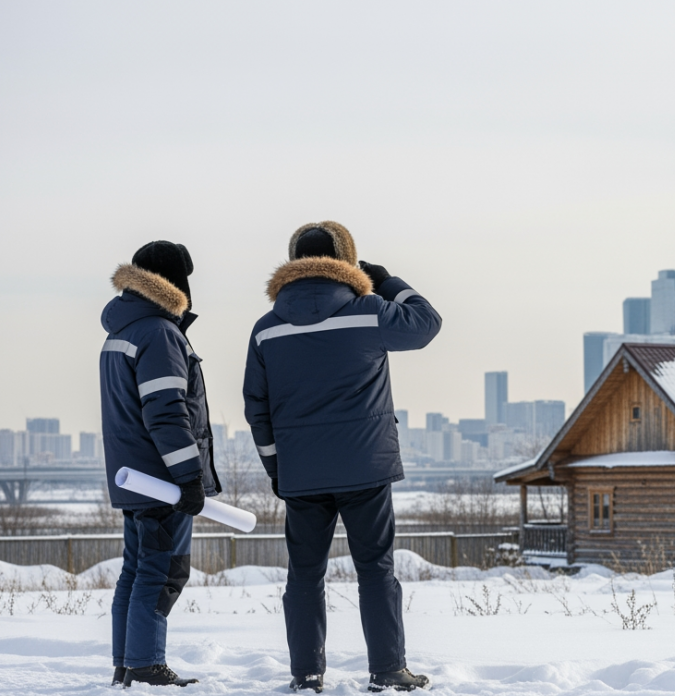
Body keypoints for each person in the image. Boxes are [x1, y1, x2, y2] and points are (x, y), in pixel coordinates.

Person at [243, 222, 442, 693]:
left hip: (301, 472)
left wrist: (276, 467)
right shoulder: (369, 312)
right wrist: (387, 281)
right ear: (347, 261)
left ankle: (307, 674)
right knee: (376, 570)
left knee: (304, 575)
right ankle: (388, 670)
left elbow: (256, 406)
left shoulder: (267, 329)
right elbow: (427, 323)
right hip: (365, 467)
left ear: (292, 263)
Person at [100, 241, 219, 688]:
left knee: (136, 569)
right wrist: (189, 477)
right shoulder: (160, 333)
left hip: (135, 476)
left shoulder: (123, 330)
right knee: (163, 570)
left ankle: (127, 662)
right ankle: (146, 664)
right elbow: (166, 412)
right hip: (162, 479)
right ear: (175, 282)